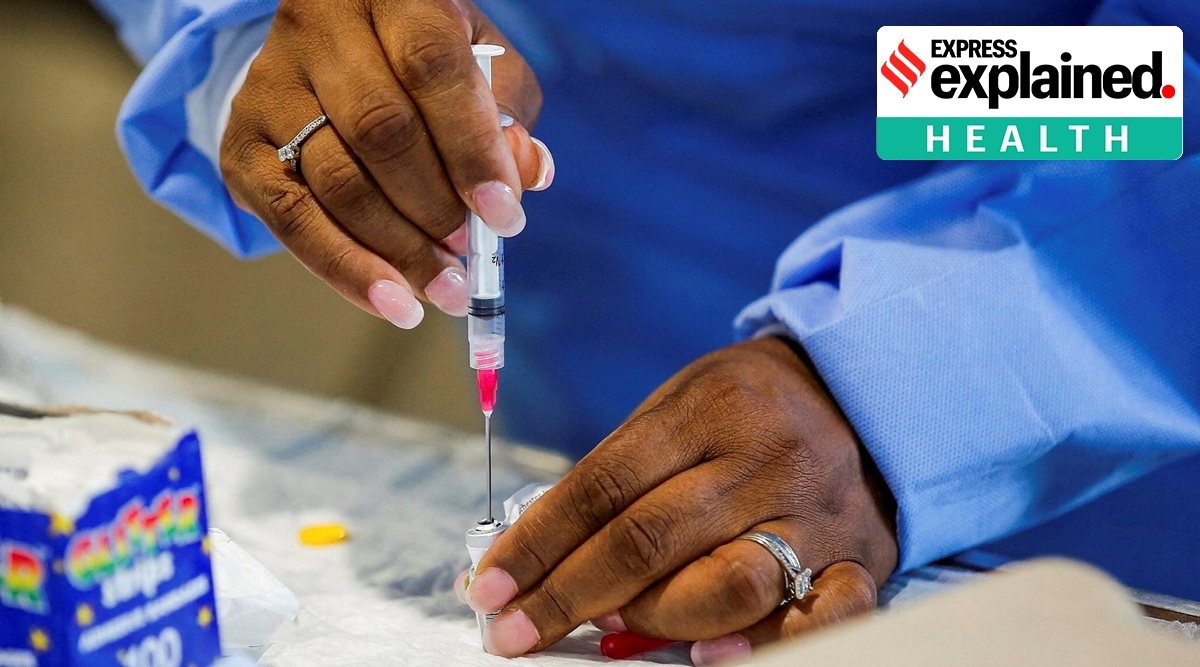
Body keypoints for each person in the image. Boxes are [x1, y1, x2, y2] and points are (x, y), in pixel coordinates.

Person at [90, 0, 1198, 662]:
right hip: (597, 335)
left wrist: (909, 383)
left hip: (1083, 408)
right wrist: (248, 38)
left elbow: (1160, 88)